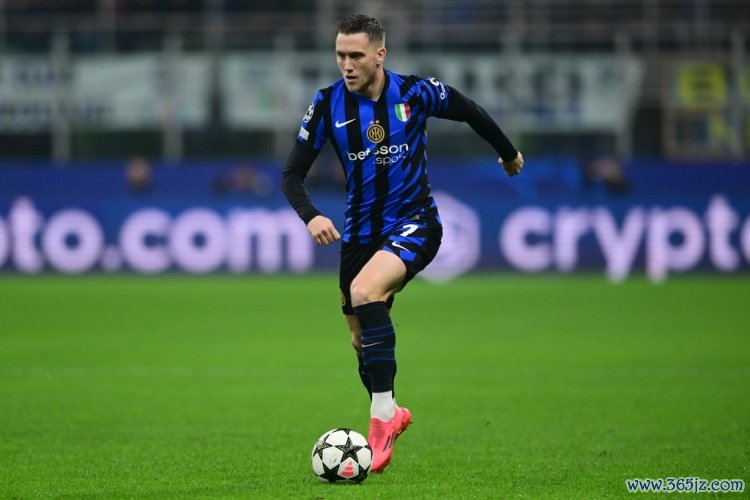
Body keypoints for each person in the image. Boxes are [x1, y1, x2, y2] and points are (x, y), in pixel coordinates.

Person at [281, 14, 524, 473]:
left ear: (380, 55)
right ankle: (392, 409)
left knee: (365, 291)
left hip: (416, 223)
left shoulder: (414, 92)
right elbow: (292, 174)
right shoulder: (327, 103)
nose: (346, 65)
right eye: (340, 55)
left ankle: (381, 419)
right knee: (360, 338)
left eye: (356, 55)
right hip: (359, 234)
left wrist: (508, 153)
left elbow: (469, 110)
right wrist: (311, 215)